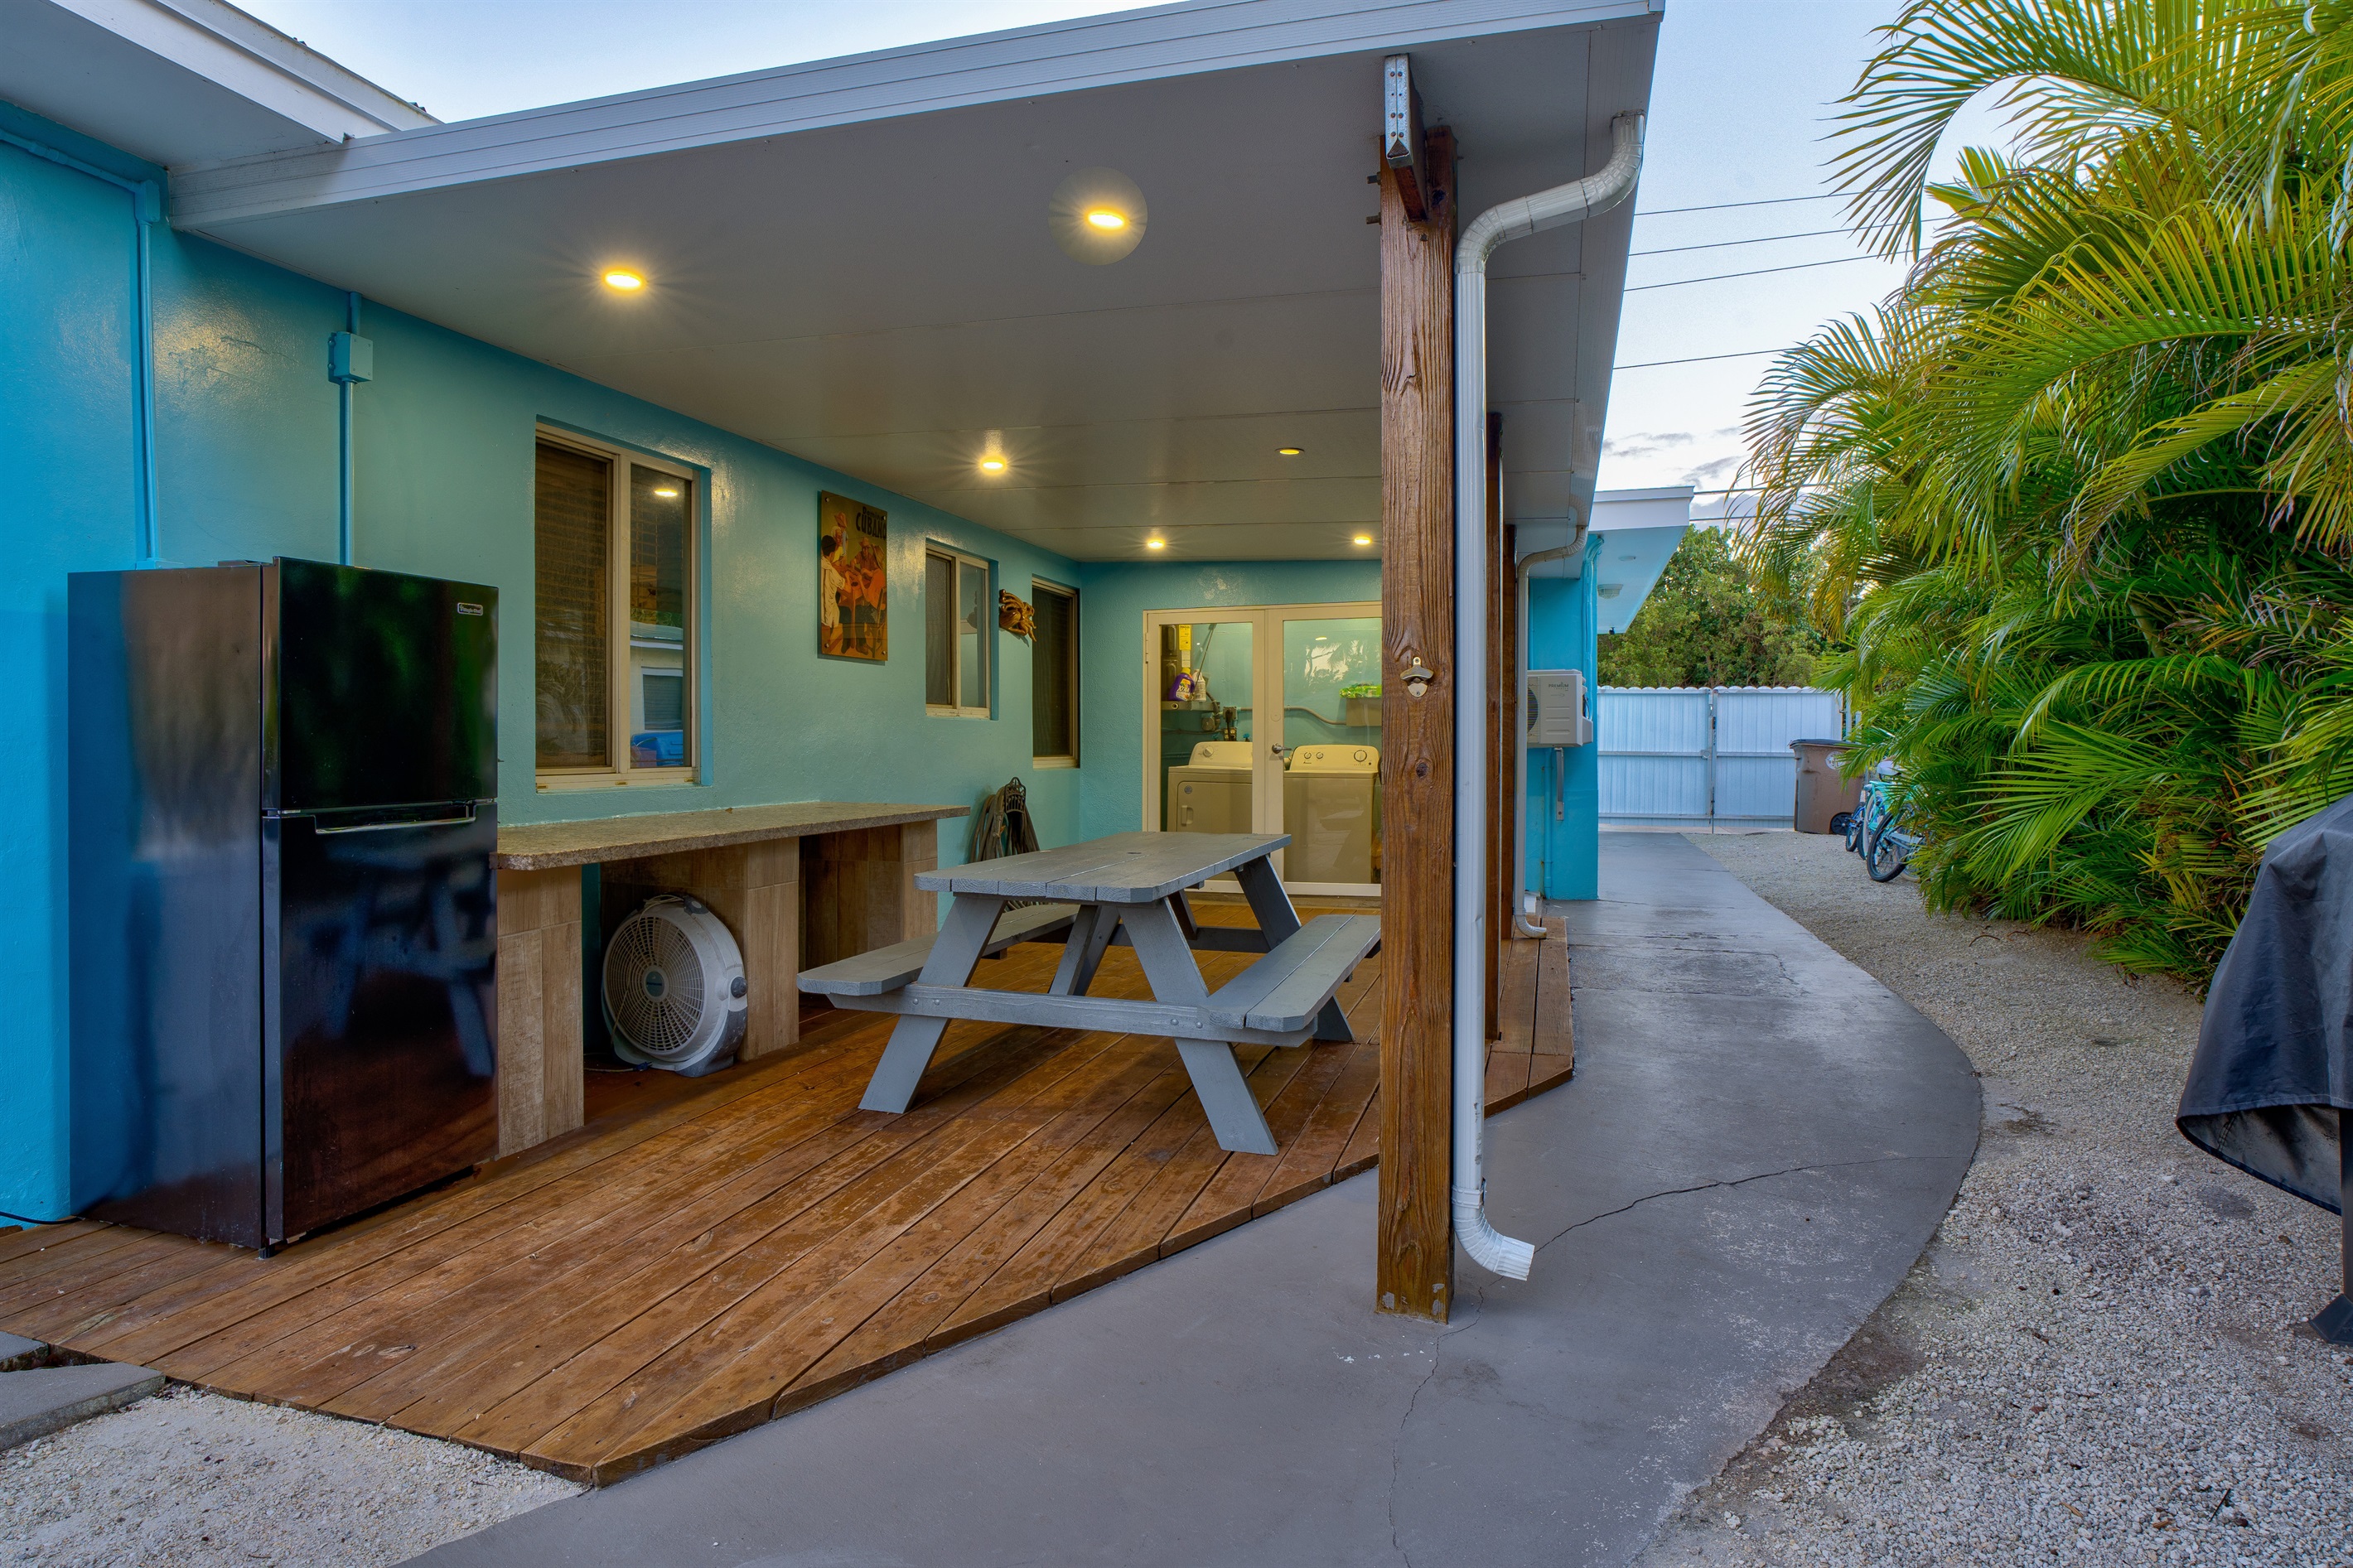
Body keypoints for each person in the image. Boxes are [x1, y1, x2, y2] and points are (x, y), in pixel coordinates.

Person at [820, 531, 845, 650]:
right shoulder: (831, 571)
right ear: (831, 554)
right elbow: (845, 586)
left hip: (819, 608)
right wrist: (848, 576)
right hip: (826, 613)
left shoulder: (818, 563)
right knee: (846, 610)